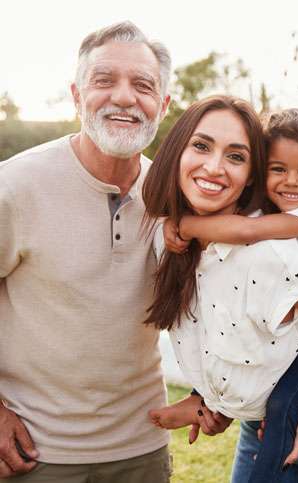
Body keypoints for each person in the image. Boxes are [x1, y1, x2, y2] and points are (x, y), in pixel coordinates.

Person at [143, 100, 298, 482]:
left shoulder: (277, 251)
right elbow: (230, 331)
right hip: (260, 413)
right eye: (201, 146)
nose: (214, 166)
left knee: (287, 410)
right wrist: (216, 401)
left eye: (235, 156)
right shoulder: (176, 241)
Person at [0, 21, 178, 482]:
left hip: (143, 449)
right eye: (104, 81)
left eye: (142, 85)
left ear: (163, 105)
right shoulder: (14, 187)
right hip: (35, 453)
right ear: (77, 96)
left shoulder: (174, 199)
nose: (123, 97)